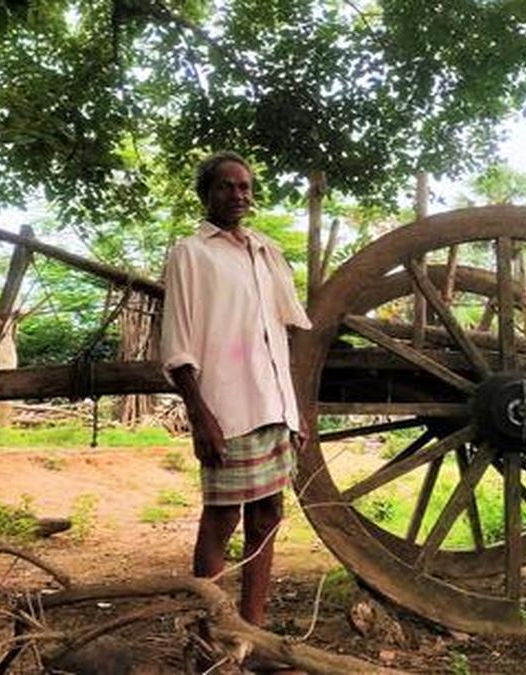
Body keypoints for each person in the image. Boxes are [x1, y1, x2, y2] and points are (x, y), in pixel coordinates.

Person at [160, 151, 311, 628]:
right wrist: (200, 415)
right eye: (226, 186)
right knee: (221, 519)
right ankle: (212, 635)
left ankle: (252, 633)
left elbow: (278, 334)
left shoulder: (265, 251)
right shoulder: (191, 253)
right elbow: (178, 343)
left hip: (273, 404)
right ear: (206, 194)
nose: (237, 195)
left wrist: (295, 410)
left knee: (268, 517)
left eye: (244, 187)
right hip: (228, 408)